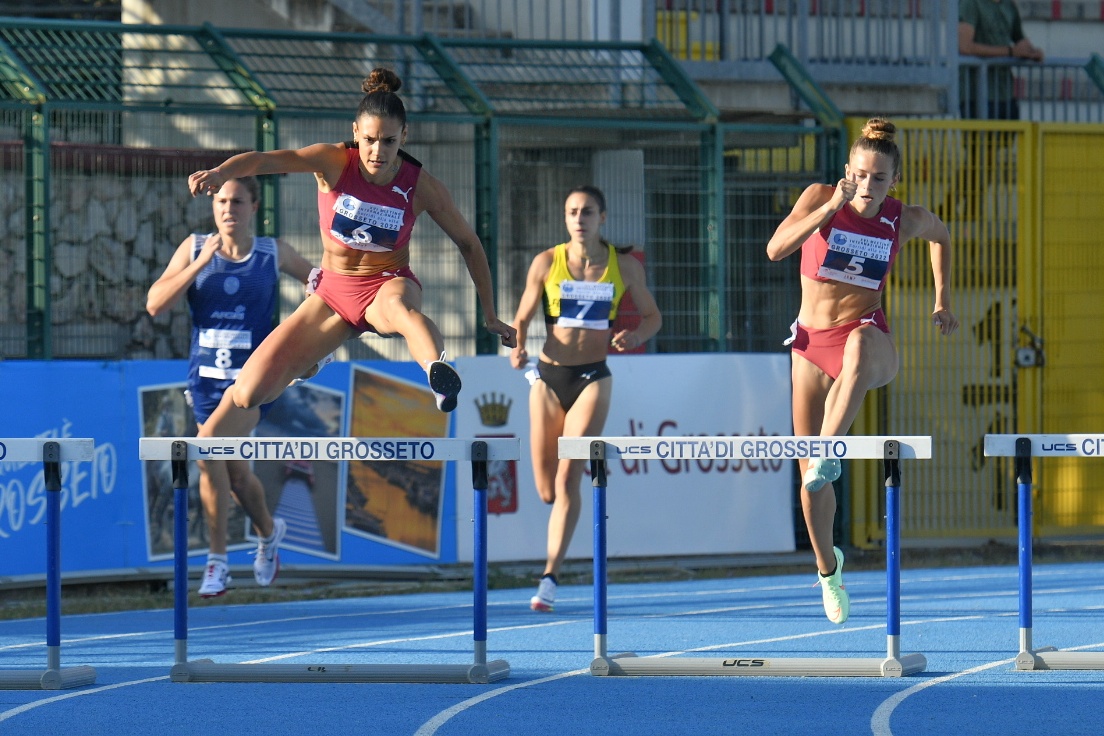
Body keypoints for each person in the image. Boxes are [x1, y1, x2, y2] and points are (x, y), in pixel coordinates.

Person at [185, 67, 516, 422]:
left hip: (387, 283)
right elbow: (264, 160)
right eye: (370, 139)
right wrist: (221, 172)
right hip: (333, 292)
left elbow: (469, 243)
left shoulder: (422, 186)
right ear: (356, 132)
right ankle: (317, 358)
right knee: (246, 395)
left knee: (403, 314)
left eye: (389, 141)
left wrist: (490, 314)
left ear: (404, 135)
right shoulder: (332, 161)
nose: (378, 151)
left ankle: (439, 376)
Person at [766, 118, 958, 625]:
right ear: (846, 172)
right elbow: (775, 249)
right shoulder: (819, 197)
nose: (868, 188)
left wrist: (941, 300)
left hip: (869, 338)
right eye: (860, 176)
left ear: (893, 180)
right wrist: (830, 207)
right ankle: (829, 573)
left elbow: (941, 234)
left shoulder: (902, 218)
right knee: (810, 490)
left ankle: (830, 450)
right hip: (809, 346)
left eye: (878, 179)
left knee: (856, 345)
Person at [146, 176, 314, 597]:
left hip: (252, 387)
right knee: (237, 478)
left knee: (205, 452)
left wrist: (302, 344)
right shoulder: (193, 247)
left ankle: (216, 562)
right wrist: (201, 264)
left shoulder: (272, 254)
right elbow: (154, 303)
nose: (227, 209)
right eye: (221, 201)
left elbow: (322, 285)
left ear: (254, 207)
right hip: (204, 385)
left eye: (237, 201)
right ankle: (270, 532)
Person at [509, 185, 662, 612]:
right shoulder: (546, 262)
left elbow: (653, 317)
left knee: (567, 477)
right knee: (545, 490)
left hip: (594, 377)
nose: (580, 219)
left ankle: (549, 577)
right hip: (548, 376)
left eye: (588, 212)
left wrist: (634, 335)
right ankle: (552, 566)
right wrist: (516, 347)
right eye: (573, 212)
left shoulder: (624, 266)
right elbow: (520, 318)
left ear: (603, 218)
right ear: (565, 218)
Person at [958, 0, 1044, 119]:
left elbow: (1021, 41)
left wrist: (1033, 52)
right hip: (976, 95)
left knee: (1008, 136)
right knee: (980, 137)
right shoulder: (971, 4)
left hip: (1006, 94)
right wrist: (1010, 52)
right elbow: (964, 47)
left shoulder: (1009, 5)